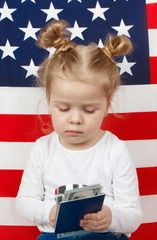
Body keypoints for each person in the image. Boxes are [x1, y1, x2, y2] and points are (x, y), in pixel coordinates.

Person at [16, 19, 142, 240]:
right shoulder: (43, 149)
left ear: (107, 104)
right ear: (49, 100)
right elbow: (24, 203)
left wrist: (111, 218)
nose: (75, 119)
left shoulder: (115, 150)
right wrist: (50, 212)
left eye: (89, 109)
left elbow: (133, 216)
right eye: (63, 108)